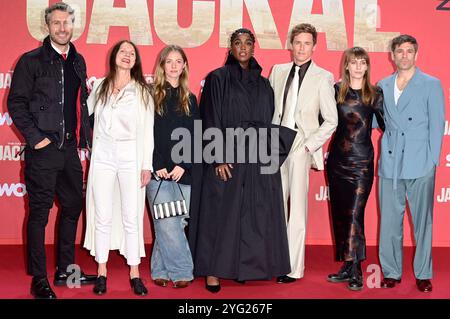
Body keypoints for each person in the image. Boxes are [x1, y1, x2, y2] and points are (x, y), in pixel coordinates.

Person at [190, 28, 296, 293]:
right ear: (231, 47)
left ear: (254, 46)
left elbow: (268, 118)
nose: (243, 47)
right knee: (219, 215)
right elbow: (210, 119)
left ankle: (242, 268)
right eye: (238, 43)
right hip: (226, 156)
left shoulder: (264, 84)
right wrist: (217, 159)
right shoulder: (217, 78)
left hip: (256, 157)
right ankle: (212, 271)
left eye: (248, 43)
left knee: (249, 215)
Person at [7, 2, 96, 299]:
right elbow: (16, 104)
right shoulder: (31, 60)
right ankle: (39, 278)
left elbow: (81, 103)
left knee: (72, 207)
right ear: (47, 26)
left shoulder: (78, 61)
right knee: (40, 214)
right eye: (56, 23)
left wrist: (86, 139)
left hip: (69, 149)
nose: (61, 28)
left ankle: (65, 269)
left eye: (66, 23)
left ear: (73, 25)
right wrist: (36, 138)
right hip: (43, 151)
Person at [83, 40, 154, 296]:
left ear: (135, 62)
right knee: (102, 214)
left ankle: (135, 273)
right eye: (123, 51)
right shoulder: (101, 86)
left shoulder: (143, 91)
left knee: (131, 215)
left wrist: (147, 165)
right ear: (114, 56)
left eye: (131, 53)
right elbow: (83, 115)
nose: (126, 56)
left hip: (130, 156)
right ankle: (101, 271)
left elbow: (148, 131)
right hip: (102, 155)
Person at [269, 23, 337, 283]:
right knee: (273, 207)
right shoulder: (277, 71)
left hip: (300, 144)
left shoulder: (323, 76)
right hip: (276, 144)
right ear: (290, 44)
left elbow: (331, 120)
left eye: (306, 43)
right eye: (297, 42)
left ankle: (293, 268)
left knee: (296, 210)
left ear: (314, 46)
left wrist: (309, 146)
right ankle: (272, 260)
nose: (301, 47)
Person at [377, 35, 445, 293]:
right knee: (389, 222)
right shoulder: (382, 85)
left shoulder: (431, 84)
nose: (404, 55)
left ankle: (423, 273)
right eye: (399, 51)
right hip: (391, 161)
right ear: (392, 55)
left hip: (420, 162)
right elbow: (376, 120)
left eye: (409, 51)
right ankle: (391, 271)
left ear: (416, 54)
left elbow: (437, 124)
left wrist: (432, 161)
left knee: (423, 222)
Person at [326, 47, 384, 291]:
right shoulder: (335, 91)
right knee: (341, 215)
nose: (359, 67)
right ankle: (347, 266)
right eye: (354, 62)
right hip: (337, 161)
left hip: (361, 163)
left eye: (363, 62)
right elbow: (324, 121)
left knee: (354, 215)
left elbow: (387, 124)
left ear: (367, 66)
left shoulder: (375, 93)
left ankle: (357, 268)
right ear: (346, 66)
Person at [145, 45, 199, 289]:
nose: (174, 65)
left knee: (175, 221)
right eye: (169, 61)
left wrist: (184, 165)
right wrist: (157, 165)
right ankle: (182, 271)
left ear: (185, 65)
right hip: (159, 172)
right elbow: (145, 134)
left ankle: (160, 269)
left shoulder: (191, 99)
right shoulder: (149, 95)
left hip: (183, 171)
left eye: (179, 61)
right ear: (162, 65)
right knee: (168, 221)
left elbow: (197, 136)